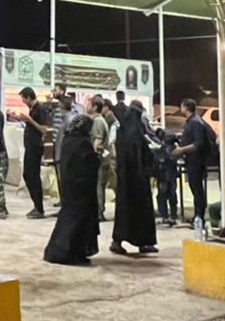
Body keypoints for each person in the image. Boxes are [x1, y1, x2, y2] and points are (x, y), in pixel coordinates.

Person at [44, 112, 100, 264]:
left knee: (68, 219)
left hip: (69, 187)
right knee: (79, 223)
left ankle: (67, 252)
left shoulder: (67, 140)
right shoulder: (83, 143)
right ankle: (69, 253)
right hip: (82, 190)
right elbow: (88, 165)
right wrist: (97, 158)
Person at [111, 100, 158, 255]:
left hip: (125, 179)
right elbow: (140, 156)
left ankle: (117, 242)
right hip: (138, 180)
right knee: (142, 213)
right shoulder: (136, 133)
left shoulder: (122, 131)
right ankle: (143, 242)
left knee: (124, 212)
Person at [174, 99, 210, 224]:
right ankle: (197, 215)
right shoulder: (192, 121)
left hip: (196, 161)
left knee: (197, 188)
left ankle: (199, 217)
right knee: (195, 187)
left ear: (185, 107)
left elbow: (199, 143)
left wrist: (181, 150)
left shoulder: (195, 122)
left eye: (182, 106)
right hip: (192, 160)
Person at [17, 87, 51, 219]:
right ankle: (36, 205)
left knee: (33, 175)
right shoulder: (32, 109)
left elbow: (44, 129)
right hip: (30, 146)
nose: (23, 101)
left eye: (23, 98)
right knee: (27, 174)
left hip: (36, 147)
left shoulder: (39, 109)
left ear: (29, 97)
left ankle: (39, 207)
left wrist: (29, 120)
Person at [51, 94, 78, 204]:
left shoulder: (69, 120)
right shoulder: (67, 119)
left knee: (64, 180)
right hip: (62, 153)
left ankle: (66, 203)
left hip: (64, 155)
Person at [154, 125, 180, 226]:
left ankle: (166, 216)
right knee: (171, 194)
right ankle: (172, 216)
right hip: (170, 174)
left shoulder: (161, 149)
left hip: (163, 174)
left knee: (163, 195)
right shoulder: (173, 149)